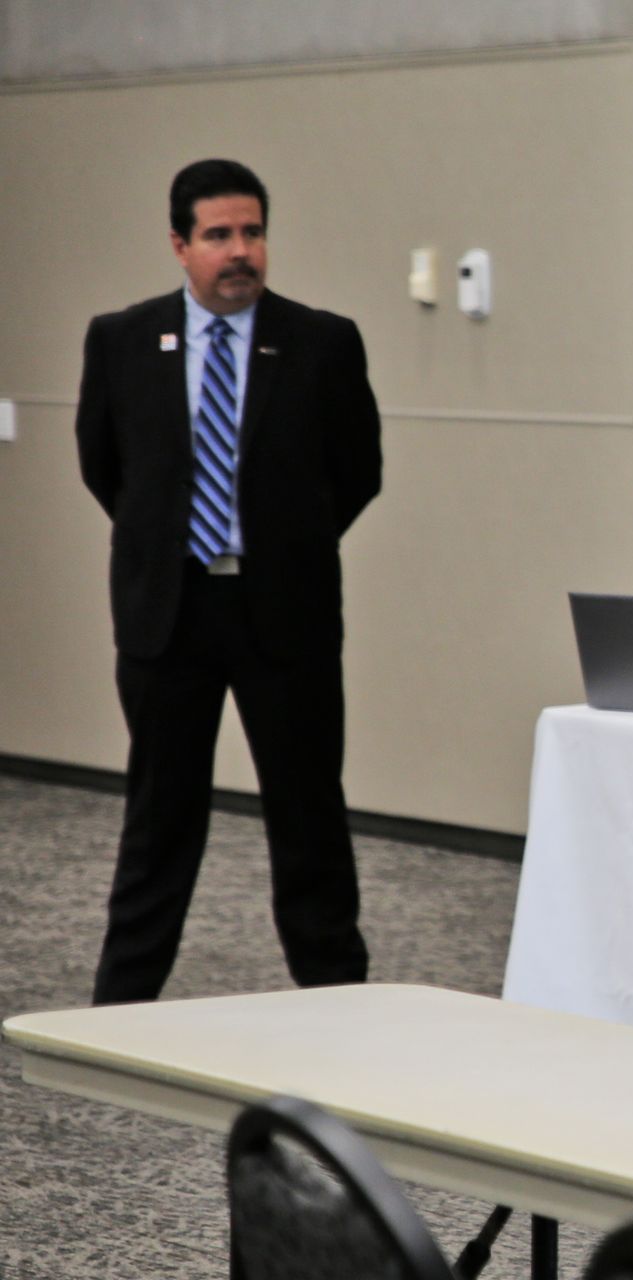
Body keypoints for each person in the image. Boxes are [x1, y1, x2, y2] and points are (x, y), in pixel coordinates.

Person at [77, 159, 384, 1003]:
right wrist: (173, 542)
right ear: (180, 245)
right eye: (218, 235)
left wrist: (283, 546)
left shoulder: (322, 341)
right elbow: (109, 470)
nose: (239, 251)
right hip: (168, 615)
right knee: (159, 816)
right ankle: (123, 1003)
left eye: (252, 232)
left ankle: (337, 996)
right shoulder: (122, 339)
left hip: (283, 611)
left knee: (308, 812)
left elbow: (356, 473)